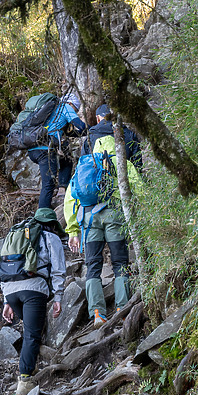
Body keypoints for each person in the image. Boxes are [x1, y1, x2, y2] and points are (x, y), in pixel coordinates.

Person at [64, 105, 142, 327]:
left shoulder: (86, 162)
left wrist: (72, 229)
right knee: (120, 264)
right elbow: (140, 190)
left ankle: (97, 313)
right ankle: (123, 309)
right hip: (115, 215)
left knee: (93, 266)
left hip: (89, 219)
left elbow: (70, 197)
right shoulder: (122, 161)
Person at [0, 207, 66, 395]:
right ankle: (25, 379)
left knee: (32, 330)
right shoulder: (51, 238)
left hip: (11, 291)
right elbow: (58, 271)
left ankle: (31, 365)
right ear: (52, 225)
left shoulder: (16, 235)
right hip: (33, 291)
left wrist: (6, 301)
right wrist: (58, 297)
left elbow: (4, 268)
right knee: (31, 334)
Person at [26, 93, 87, 209]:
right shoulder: (66, 107)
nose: (75, 111)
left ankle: (62, 189)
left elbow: (71, 132)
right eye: (75, 109)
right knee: (48, 185)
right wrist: (93, 129)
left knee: (66, 159)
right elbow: (80, 125)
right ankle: (42, 217)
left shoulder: (53, 111)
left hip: (33, 148)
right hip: (44, 150)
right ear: (71, 104)